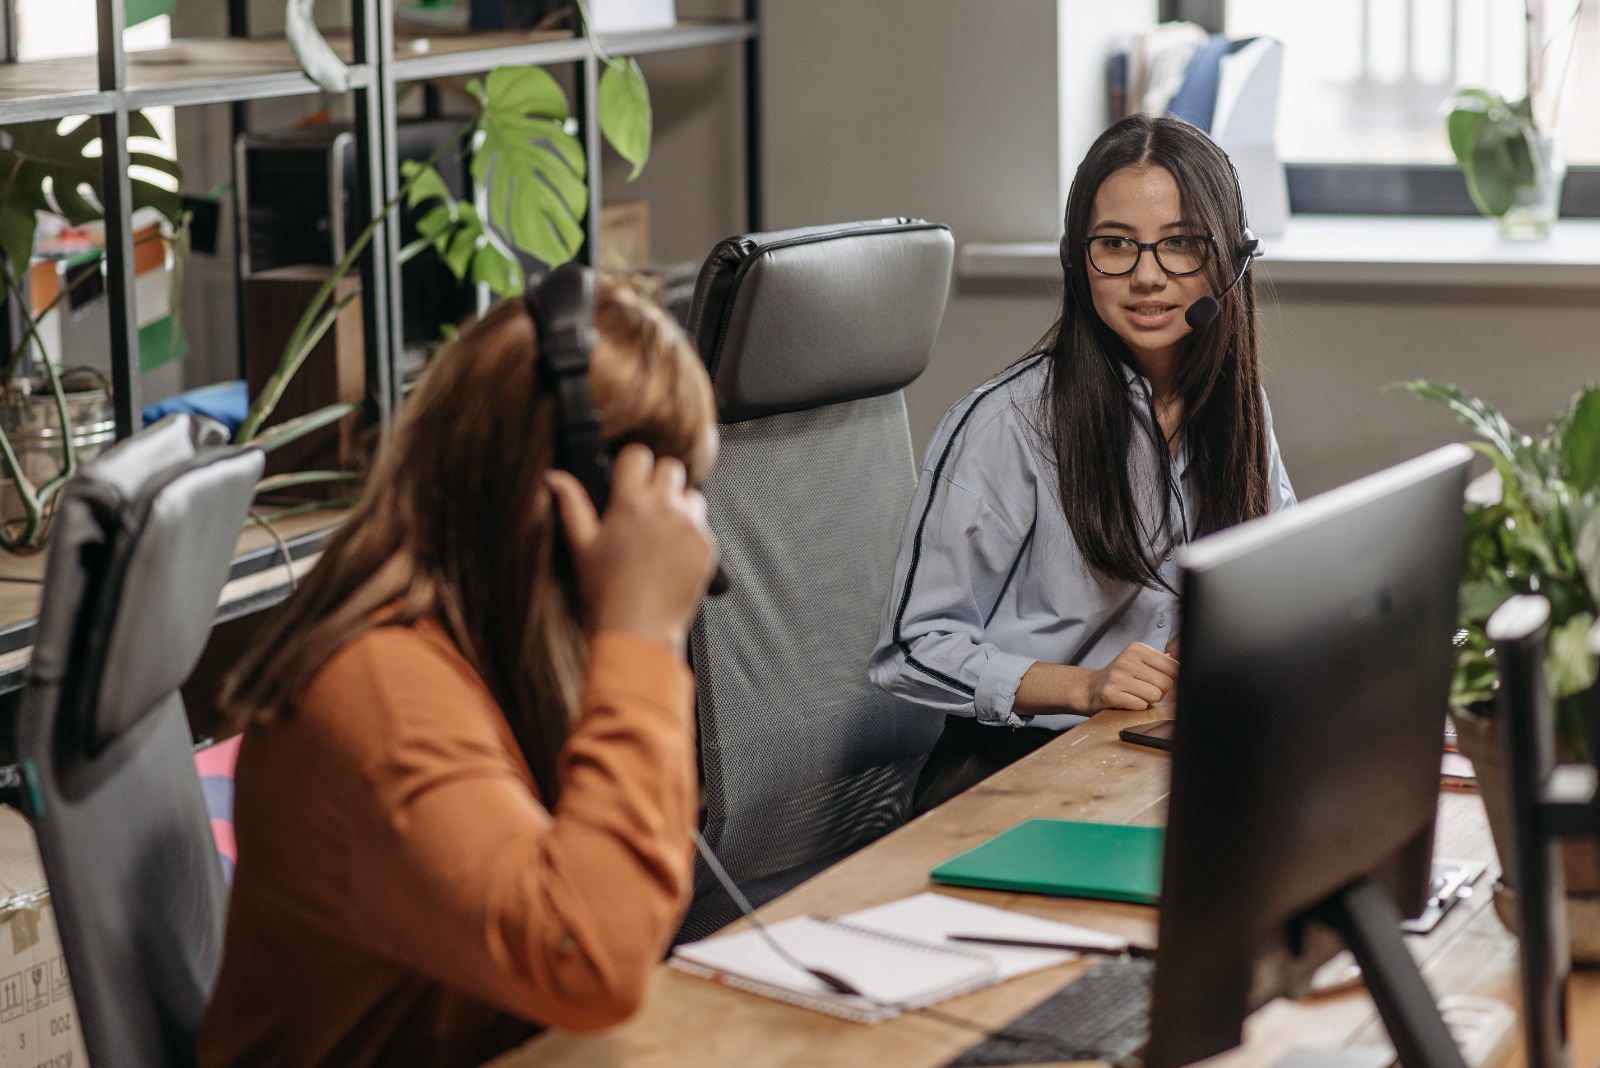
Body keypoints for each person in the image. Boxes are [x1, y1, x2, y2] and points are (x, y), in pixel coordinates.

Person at [196, 275, 720, 1067]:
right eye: (667, 497)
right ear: (585, 493)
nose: (689, 534)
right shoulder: (383, 694)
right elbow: (588, 959)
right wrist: (641, 631)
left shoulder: (485, 651)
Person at [870, 115, 1296, 811]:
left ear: (1228, 259)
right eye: (1116, 246)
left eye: (1180, 246)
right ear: (1079, 259)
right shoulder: (1006, 425)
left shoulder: (1238, 409)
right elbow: (911, 650)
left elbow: (1283, 569)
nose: (1147, 276)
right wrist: (1084, 686)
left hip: (1148, 757)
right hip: (1014, 772)